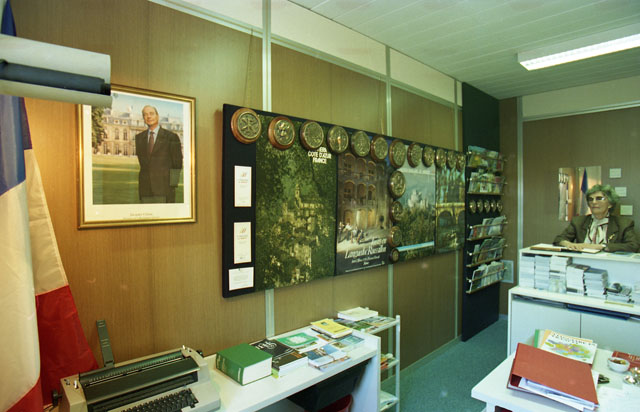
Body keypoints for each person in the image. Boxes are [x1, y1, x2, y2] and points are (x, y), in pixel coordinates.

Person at [553, 184, 639, 252]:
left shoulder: (624, 223)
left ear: (610, 204)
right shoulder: (578, 221)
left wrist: (601, 246)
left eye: (599, 198)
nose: (593, 202)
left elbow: (633, 246)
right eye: (590, 199)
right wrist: (569, 244)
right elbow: (559, 239)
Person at [135, 105, 183, 203]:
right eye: (145, 114)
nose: (149, 116)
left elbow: (177, 163)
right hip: (145, 189)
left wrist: (172, 186)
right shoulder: (139, 138)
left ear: (157, 116)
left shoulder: (171, 137)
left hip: (165, 189)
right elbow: (143, 163)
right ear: (143, 118)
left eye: (151, 113)